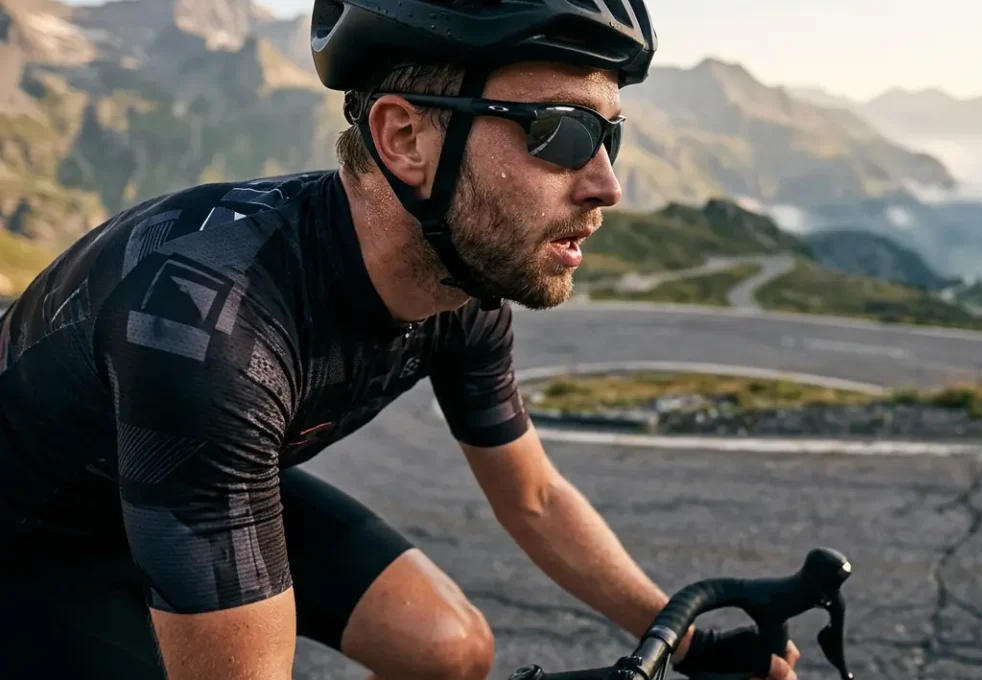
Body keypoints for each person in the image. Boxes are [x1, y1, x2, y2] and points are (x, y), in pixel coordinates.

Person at [0, 0, 804, 678]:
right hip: (34, 539)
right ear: (406, 139)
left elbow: (534, 495)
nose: (606, 184)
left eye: (609, 137)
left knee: (450, 648)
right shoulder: (215, 330)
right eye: (560, 133)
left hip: (192, 477)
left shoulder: (463, 286)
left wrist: (687, 641)